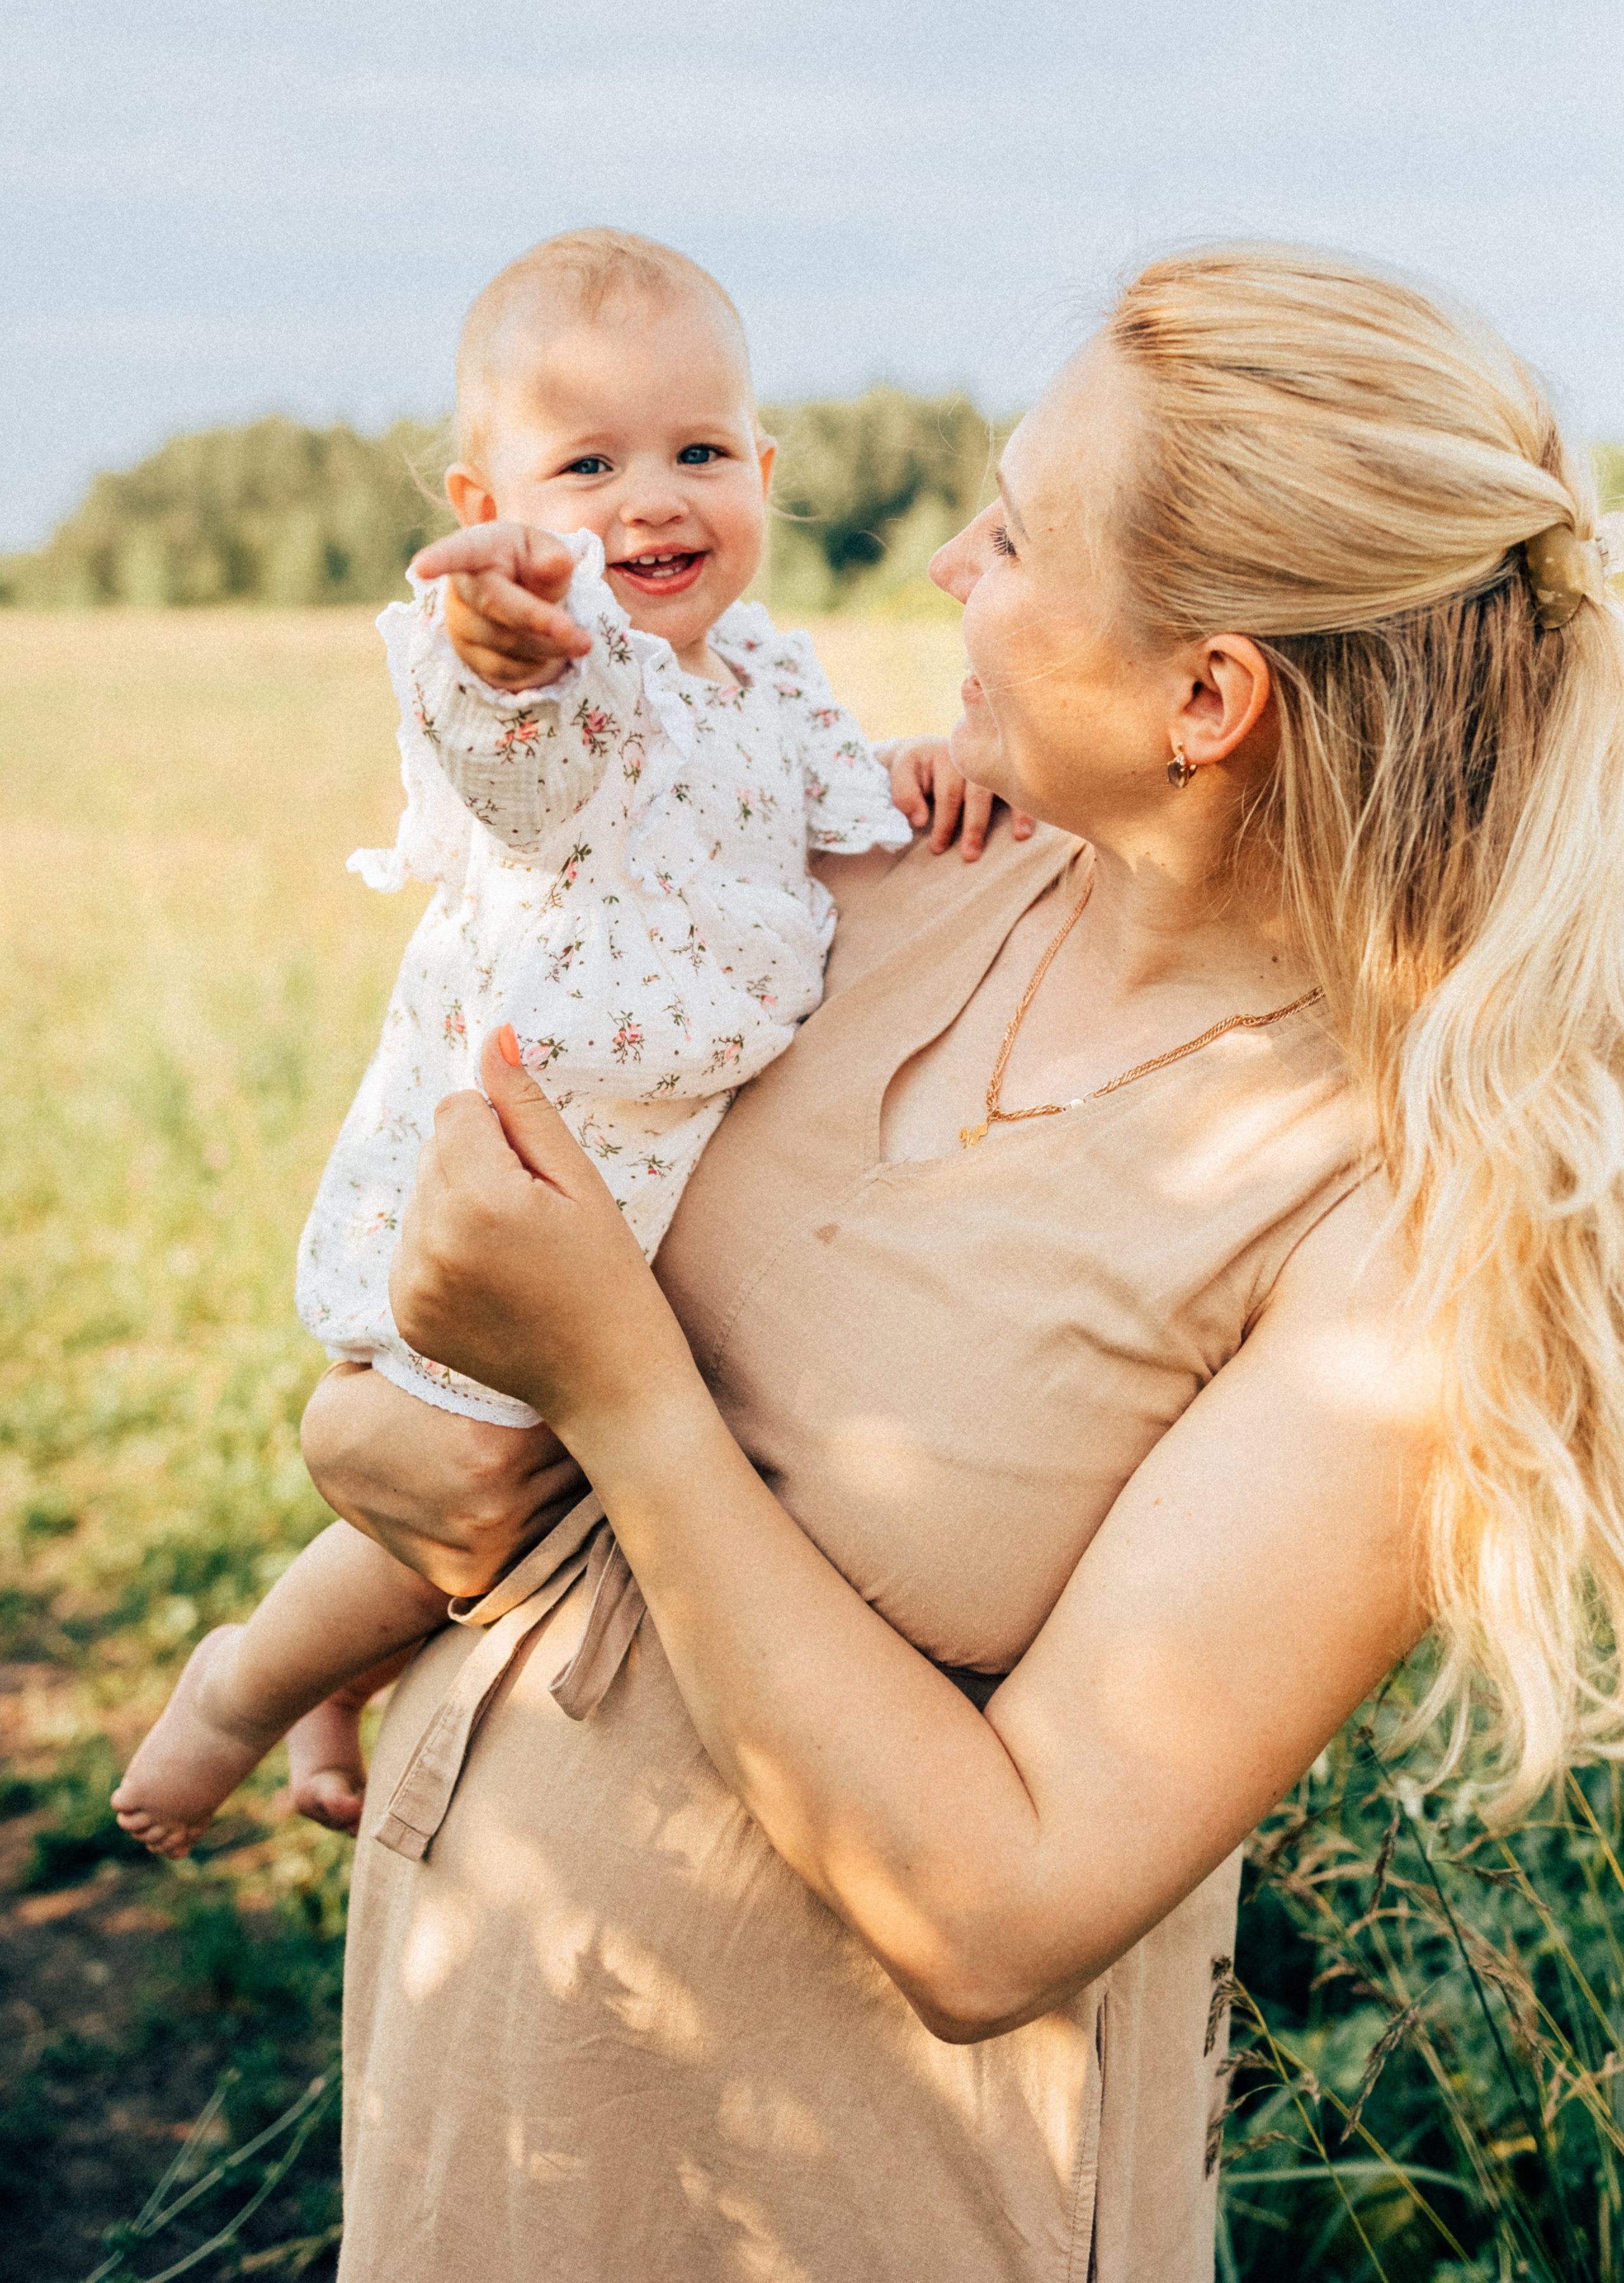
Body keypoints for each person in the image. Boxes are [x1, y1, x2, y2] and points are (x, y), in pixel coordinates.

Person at [316, 245, 1624, 2281]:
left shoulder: (1403, 1230)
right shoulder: (888, 882)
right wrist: (379, 1490)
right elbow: (492, 1222)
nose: (944, 566)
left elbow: (997, 1907)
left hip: (853, 2209)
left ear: (1211, 696)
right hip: (487, 2110)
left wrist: (617, 1401)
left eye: (1014, 532)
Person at [110, 228, 1009, 1858]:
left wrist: (927, 768)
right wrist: (505, 652)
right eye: (586, 463)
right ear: (485, 514)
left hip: (663, 1177)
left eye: (698, 452)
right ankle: (243, 1684)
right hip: (536, 1163)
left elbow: (822, 810)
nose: (652, 498)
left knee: (522, 1498)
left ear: (765, 466)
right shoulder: (545, 677)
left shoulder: (765, 679)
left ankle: (338, 1683)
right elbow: (512, 764)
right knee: (469, 1459)